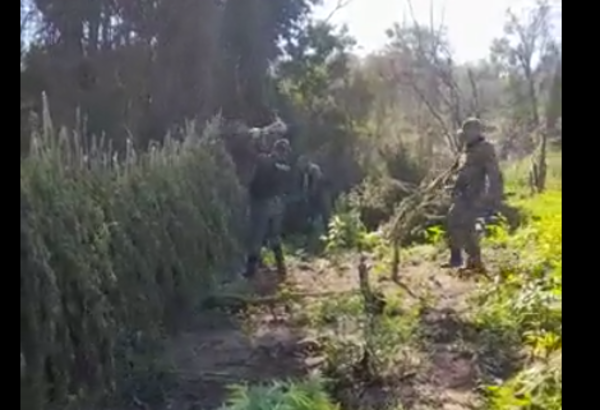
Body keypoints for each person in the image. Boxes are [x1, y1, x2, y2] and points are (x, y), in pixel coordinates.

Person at [443, 118, 504, 272]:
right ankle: (455, 259)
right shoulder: (467, 148)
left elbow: (494, 173)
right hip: (461, 194)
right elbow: (458, 169)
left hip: (475, 195)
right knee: (453, 221)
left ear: (476, 132)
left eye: (467, 132)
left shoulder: (485, 148)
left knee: (470, 227)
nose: (464, 136)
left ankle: (474, 263)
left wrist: (492, 196)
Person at [244, 135, 292, 279]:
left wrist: (257, 137)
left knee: (256, 237)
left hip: (262, 203)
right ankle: (281, 268)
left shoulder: (264, 160)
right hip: (277, 204)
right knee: (274, 236)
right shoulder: (284, 167)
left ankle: (251, 272)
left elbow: (256, 160)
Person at [297, 155, 330, 237]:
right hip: (314, 196)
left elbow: (315, 184)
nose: (299, 167)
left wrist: (310, 194)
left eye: (300, 164)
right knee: (313, 215)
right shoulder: (306, 172)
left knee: (323, 214)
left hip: (320, 196)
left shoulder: (313, 169)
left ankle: (325, 233)